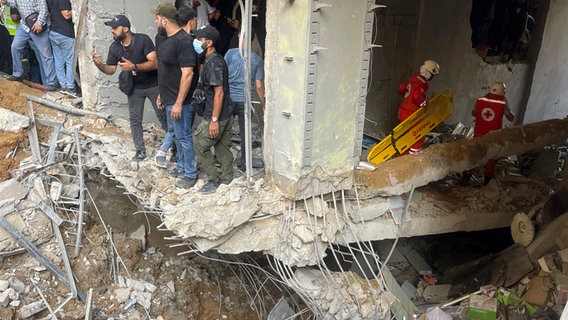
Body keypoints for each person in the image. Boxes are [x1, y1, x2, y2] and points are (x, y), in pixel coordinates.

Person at [91, 15, 167, 161]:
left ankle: (174, 146)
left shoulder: (143, 40)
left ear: (125, 29)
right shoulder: (115, 47)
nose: (112, 31)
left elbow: (155, 63)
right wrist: (98, 64)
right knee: (135, 119)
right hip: (134, 88)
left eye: (115, 28)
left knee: (163, 116)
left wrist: (134, 66)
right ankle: (140, 151)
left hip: (153, 85)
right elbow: (111, 70)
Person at [152, 2, 199, 189]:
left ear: (164, 20)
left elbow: (188, 74)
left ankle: (190, 173)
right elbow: (165, 71)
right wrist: (161, 95)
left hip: (181, 102)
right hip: (168, 98)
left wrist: (179, 102)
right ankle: (181, 166)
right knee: (177, 136)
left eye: (156, 19)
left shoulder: (184, 41)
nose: (155, 21)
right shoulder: (165, 40)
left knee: (184, 137)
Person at [193, 24, 234, 194]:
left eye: (199, 39)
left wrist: (213, 121)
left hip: (216, 115)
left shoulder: (215, 63)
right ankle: (227, 179)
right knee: (222, 148)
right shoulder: (211, 61)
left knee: (199, 144)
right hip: (225, 113)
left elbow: (219, 93)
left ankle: (213, 179)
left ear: (208, 43)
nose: (195, 42)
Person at [224, 28, 264, 171]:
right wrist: (264, 105)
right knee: (245, 134)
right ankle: (244, 164)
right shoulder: (257, 59)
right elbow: (259, 86)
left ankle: (224, 162)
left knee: (223, 131)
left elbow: (222, 76)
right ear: (253, 39)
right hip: (245, 102)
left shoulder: (230, 54)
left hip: (228, 100)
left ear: (240, 36)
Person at [1, 0, 58, 90]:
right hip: (24, 26)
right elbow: (14, 3)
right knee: (15, 46)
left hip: (38, 26)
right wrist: (6, 2)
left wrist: (39, 22)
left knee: (46, 55)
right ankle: (18, 73)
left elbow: (44, 9)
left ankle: (52, 82)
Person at [471, 82, 514, 182]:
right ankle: (487, 179)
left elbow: (473, 113)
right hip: (493, 136)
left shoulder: (479, 100)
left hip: (478, 133)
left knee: (474, 155)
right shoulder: (503, 103)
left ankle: (466, 176)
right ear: (503, 92)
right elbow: (511, 118)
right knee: (493, 157)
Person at [397, 59, 440, 155]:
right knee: (418, 135)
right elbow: (416, 96)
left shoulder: (413, 78)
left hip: (402, 110)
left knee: (407, 135)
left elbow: (401, 89)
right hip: (410, 112)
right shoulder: (422, 83)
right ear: (428, 73)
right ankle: (412, 157)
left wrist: (405, 99)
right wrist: (424, 103)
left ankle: (402, 155)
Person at [48, 0, 76, 95]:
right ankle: (70, 87)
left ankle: (63, 87)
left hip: (54, 32)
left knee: (59, 61)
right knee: (70, 61)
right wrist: (76, 9)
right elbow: (66, 14)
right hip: (65, 34)